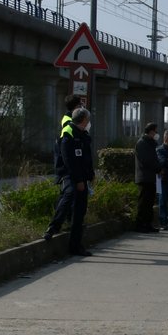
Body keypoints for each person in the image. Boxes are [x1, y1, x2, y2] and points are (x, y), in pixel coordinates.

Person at [43, 99, 87, 241]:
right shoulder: (69, 126)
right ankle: (54, 227)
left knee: (72, 200)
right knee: (68, 195)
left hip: (76, 170)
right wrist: (79, 177)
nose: (82, 106)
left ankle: (69, 227)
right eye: (80, 105)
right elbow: (68, 155)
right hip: (68, 170)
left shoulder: (79, 130)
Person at [55, 107, 95, 256]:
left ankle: (77, 245)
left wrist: (90, 175)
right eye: (88, 120)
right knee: (77, 213)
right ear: (84, 120)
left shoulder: (83, 135)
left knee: (80, 213)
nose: (89, 123)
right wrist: (79, 180)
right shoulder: (69, 134)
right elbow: (70, 162)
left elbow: (86, 158)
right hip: (75, 180)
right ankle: (74, 246)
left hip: (83, 179)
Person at [133, 122, 161, 232]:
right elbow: (146, 160)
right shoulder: (142, 143)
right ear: (150, 131)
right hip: (144, 177)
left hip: (151, 177)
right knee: (143, 202)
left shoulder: (150, 143)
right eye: (155, 131)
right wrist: (159, 168)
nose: (156, 133)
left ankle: (148, 223)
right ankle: (140, 224)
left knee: (149, 202)